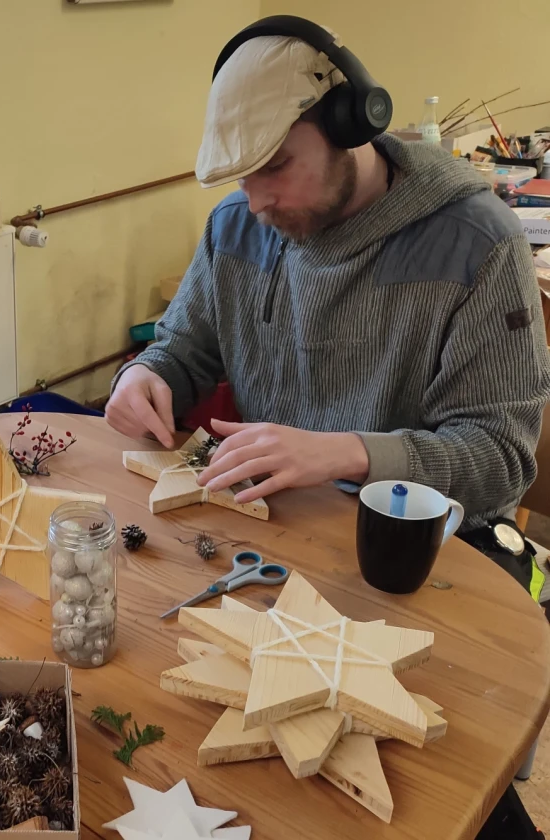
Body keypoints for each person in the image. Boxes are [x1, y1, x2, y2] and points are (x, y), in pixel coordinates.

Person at [107, 17, 550, 598]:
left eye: (275, 165)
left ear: (351, 124)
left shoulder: (477, 245)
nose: (256, 200)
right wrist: (145, 374)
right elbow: (182, 351)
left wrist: (349, 453)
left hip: (410, 560)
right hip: (269, 538)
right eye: (242, 175)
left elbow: (499, 461)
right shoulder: (235, 228)